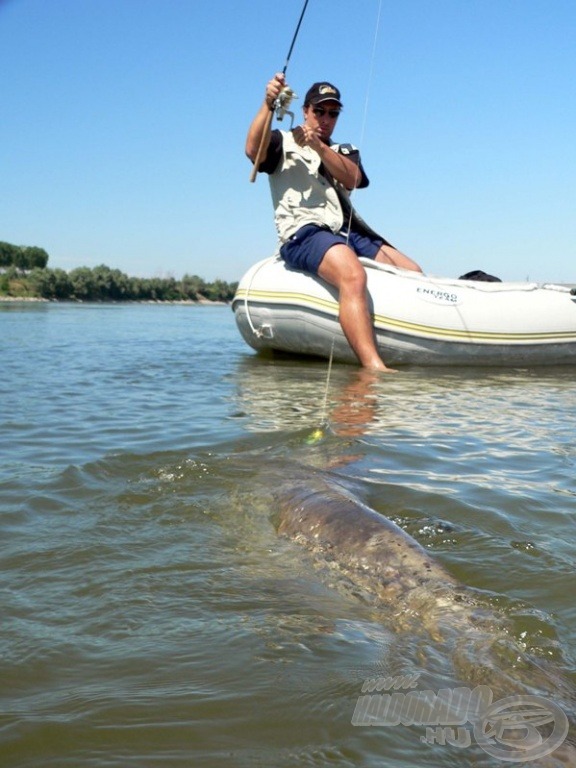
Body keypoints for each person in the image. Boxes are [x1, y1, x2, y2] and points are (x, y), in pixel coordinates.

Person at [245, 72, 423, 372]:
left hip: (347, 231)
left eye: (333, 113)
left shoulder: (344, 150)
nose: (326, 119)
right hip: (304, 232)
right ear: (305, 111)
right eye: (319, 111)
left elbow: (353, 178)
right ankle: (373, 367)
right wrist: (267, 104)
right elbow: (253, 150)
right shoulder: (281, 141)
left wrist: (318, 147)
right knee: (352, 275)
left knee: (413, 272)